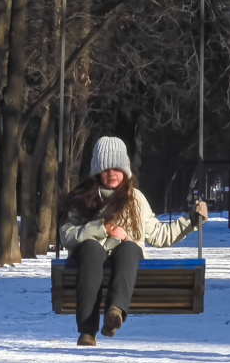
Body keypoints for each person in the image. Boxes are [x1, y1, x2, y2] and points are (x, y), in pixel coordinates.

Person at [59, 136, 208, 346]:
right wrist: (102, 229)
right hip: (91, 263)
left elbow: (158, 234)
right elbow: (66, 234)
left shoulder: (135, 199)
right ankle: (87, 329)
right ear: (96, 171)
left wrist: (191, 220)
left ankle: (115, 311)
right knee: (91, 247)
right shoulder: (81, 199)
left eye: (116, 168)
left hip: (124, 264)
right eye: (105, 168)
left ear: (125, 171)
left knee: (130, 247)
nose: (111, 174)